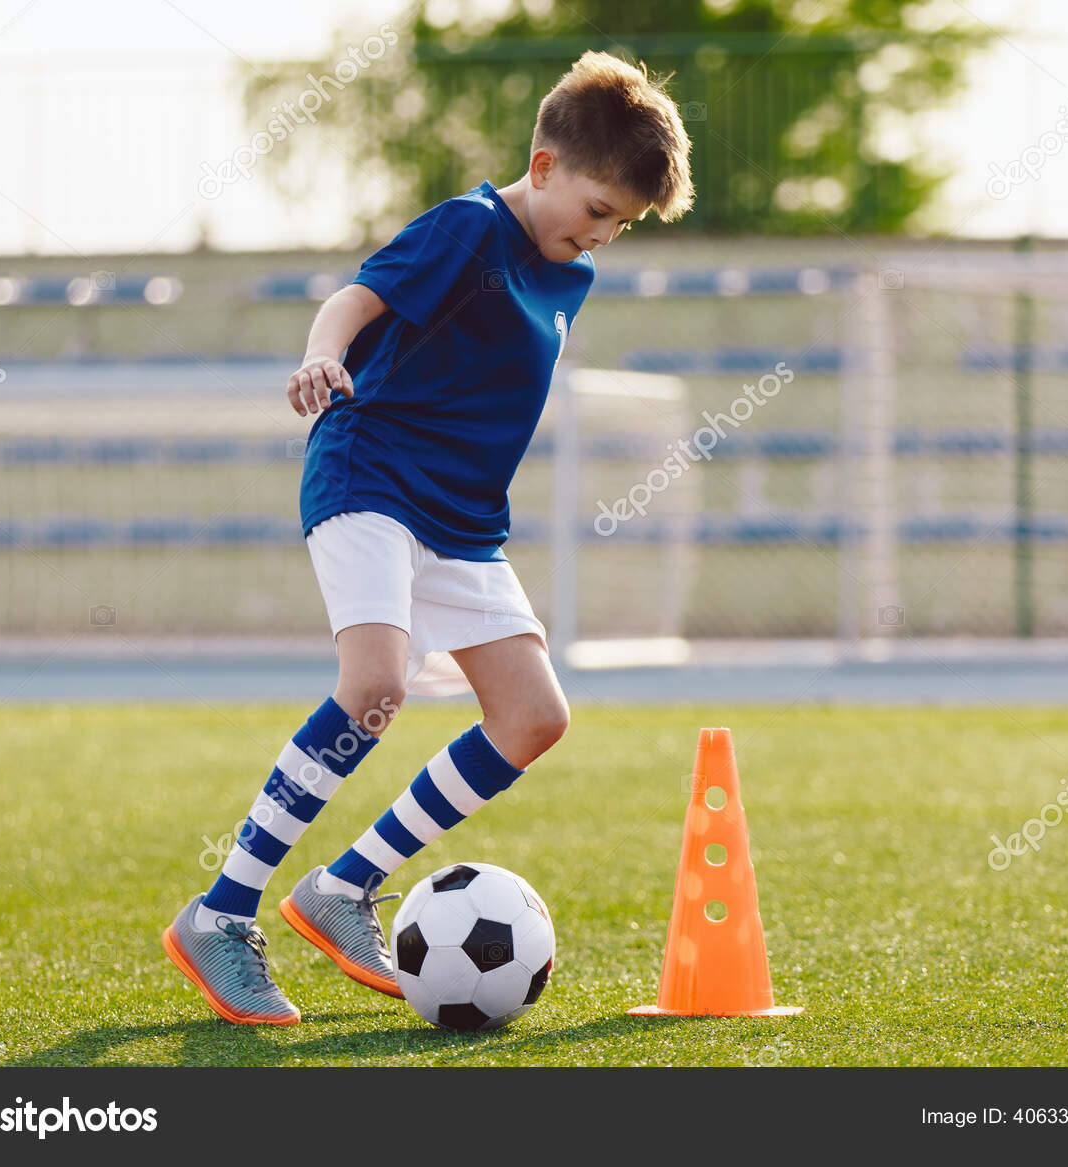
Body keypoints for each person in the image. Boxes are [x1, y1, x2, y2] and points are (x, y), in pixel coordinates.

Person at [162, 50, 695, 1024]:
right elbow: (355, 300)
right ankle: (220, 913)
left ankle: (342, 888)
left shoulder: (567, 277)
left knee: (533, 717)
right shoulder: (467, 227)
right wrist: (323, 357)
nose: (603, 234)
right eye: (597, 208)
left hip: (460, 524)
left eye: (620, 222)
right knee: (374, 688)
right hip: (371, 474)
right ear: (541, 167)